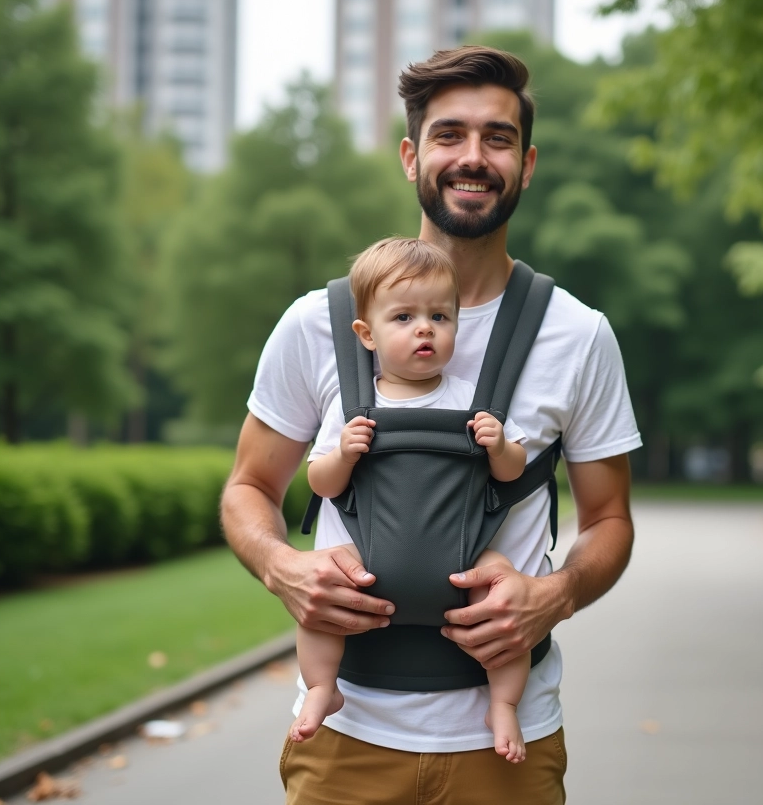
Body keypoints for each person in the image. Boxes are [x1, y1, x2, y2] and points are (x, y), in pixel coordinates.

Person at [223, 45, 640, 804]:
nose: (473, 157)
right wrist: (282, 567)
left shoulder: (577, 335)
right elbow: (248, 487)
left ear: (526, 164)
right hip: (345, 741)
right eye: (449, 134)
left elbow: (610, 519)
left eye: (498, 138)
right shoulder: (318, 324)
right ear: (411, 156)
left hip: (508, 746)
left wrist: (555, 595)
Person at [289, 236, 533, 764]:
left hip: (463, 557)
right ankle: (322, 687)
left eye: (440, 317)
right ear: (366, 334)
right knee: (324, 590)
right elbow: (322, 483)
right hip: (368, 554)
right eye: (404, 317)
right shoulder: (354, 407)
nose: (425, 328)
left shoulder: (473, 399)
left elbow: (512, 473)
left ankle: (504, 703)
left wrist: (499, 445)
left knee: (501, 588)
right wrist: (344, 454)